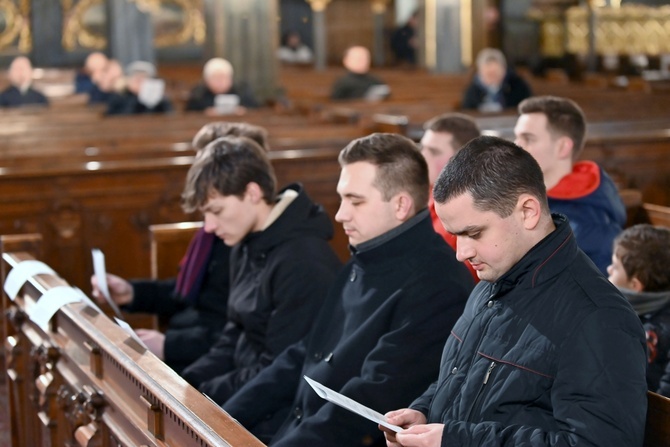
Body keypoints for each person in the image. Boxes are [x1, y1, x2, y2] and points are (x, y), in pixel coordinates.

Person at [381, 135, 647, 447]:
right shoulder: (492, 280)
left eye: (474, 232)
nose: (461, 253)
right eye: (456, 235)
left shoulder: (599, 319)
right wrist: (425, 412)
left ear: (528, 211)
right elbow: (463, 378)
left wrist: (457, 440)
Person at [223, 133, 474, 446]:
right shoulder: (365, 256)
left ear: (400, 205)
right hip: (295, 429)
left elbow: (367, 406)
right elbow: (302, 356)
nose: (340, 214)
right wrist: (224, 418)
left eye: (355, 201)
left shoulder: (438, 285)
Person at [91, 122, 269, 375]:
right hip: (193, 343)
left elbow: (240, 336)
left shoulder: (244, 240)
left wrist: (170, 346)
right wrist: (131, 293)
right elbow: (188, 291)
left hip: (211, 360)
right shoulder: (216, 232)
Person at [179, 136, 342, 405]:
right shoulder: (246, 242)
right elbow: (234, 335)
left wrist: (202, 395)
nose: (208, 226)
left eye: (216, 210)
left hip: (278, 408)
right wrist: (189, 381)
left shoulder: (303, 263)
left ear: (252, 193)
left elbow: (279, 372)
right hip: (244, 390)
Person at [514, 95, 626, 274]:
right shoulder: (529, 197)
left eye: (528, 139)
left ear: (563, 147)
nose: (516, 147)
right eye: (517, 138)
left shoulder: (592, 224)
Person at [607, 224, 670, 396]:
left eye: (615, 266)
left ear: (635, 285)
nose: (608, 269)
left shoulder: (663, 327)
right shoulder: (610, 305)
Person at [420, 113, 481, 280]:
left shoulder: (474, 210)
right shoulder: (426, 195)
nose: (422, 157)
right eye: (422, 148)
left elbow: (466, 278)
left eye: (433, 151)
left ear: (462, 159)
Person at [461, 48, 531, 112]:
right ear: (480, 72)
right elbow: (468, 111)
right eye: (489, 74)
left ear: (504, 70)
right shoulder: (472, 91)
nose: (492, 78)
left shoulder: (518, 87)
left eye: (495, 73)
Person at [185, 57, 258, 112]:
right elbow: (189, 115)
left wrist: (243, 111)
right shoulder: (198, 95)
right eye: (216, 78)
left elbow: (256, 110)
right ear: (206, 80)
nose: (220, 82)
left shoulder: (242, 91)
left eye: (223, 77)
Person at [106, 60, 173, 115]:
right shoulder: (119, 96)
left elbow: (168, 114)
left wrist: (156, 99)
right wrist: (136, 98)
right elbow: (117, 116)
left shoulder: (159, 98)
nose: (140, 82)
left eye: (143, 78)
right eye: (137, 78)